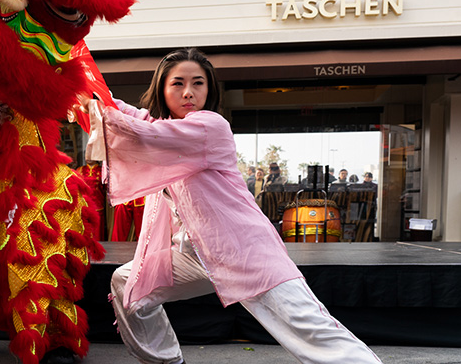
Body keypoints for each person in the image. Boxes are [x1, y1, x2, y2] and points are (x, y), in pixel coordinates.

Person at [84, 48, 380, 364]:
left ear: (209, 90)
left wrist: (100, 108)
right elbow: (132, 115)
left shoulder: (209, 126)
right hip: (194, 256)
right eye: (178, 83)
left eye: (198, 83)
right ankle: (165, 360)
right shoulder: (166, 127)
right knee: (127, 284)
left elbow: (143, 130)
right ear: (162, 89)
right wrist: (84, 88)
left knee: (310, 328)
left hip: (244, 250)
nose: (188, 92)